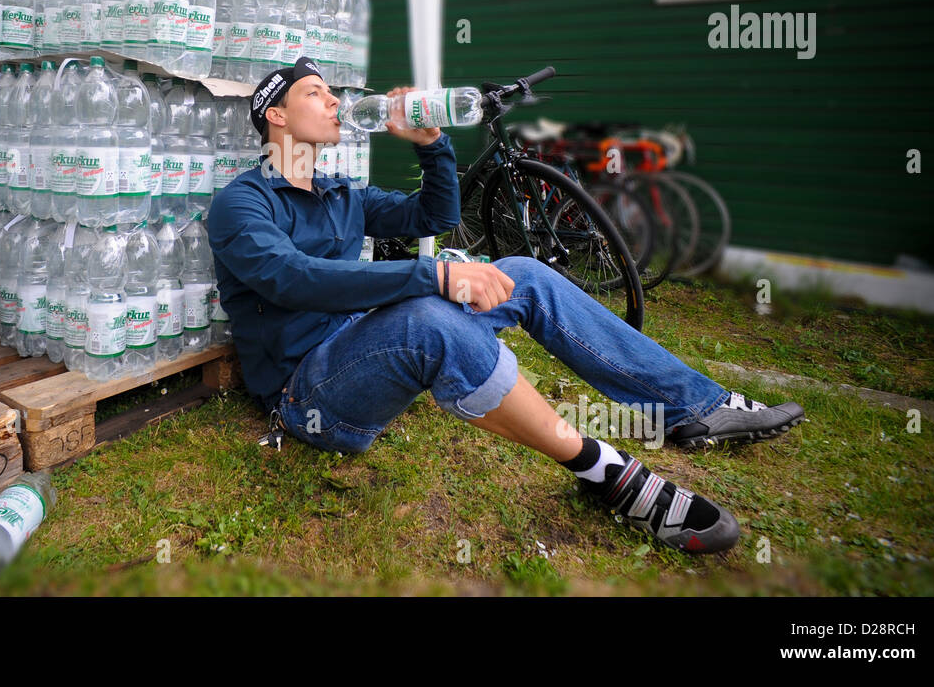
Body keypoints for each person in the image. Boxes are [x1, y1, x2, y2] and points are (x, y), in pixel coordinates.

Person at [207, 58, 804, 554]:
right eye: (317, 93)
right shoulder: (242, 204)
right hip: (309, 395)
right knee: (428, 317)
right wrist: (433, 275)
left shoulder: (341, 193)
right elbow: (292, 280)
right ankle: (609, 473)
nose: (336, 101)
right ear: (276, 116)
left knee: (520, 272)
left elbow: (435, 217)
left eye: (334, 91)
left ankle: (694, 407)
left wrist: (434, 146)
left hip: (366, 345)